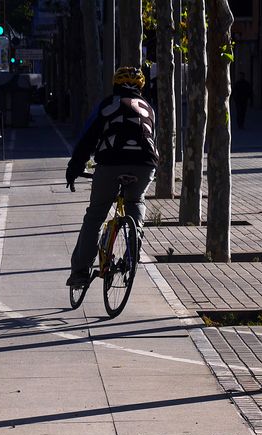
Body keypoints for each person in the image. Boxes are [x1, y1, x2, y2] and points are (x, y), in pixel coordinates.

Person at [65, 66, 158, 288]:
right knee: (135, 201)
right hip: (145, 164)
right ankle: (133, 248)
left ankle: (80, 272)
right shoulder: (148, 108)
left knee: (96, 214)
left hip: (111, 162)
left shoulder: (107, 105)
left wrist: (75, 167)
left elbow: (87, 139)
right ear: (141, 88)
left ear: (115, 86)